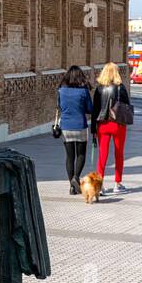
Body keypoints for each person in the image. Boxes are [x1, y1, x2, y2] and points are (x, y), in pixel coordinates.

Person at [91, 61, 131, 193]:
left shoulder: (99, 89)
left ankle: (100, 185)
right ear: (116, 73)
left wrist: (93, 129)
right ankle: (117, 184)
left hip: (102, 125)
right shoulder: (121, 88)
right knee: (119, 154)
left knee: (102, 155)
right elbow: (126, 105)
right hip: (117, 124)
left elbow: (95, 110)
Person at [55, 65, 93, 194]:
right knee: (81, 155)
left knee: (69, 157)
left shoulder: (61, 90)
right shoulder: (83, 91)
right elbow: (90, 109)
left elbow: (59, 106)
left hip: (65, 127)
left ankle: (72, 186)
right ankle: (76, 178)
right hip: (80, 125)